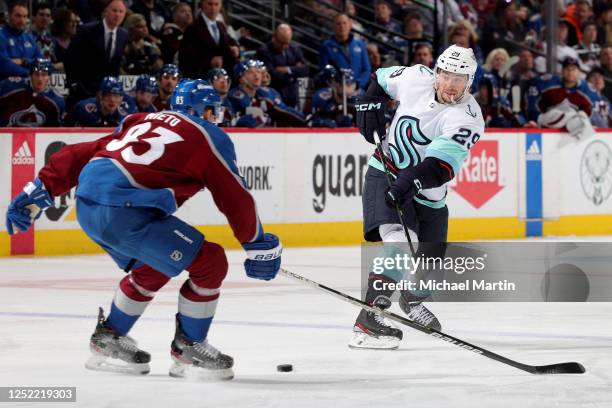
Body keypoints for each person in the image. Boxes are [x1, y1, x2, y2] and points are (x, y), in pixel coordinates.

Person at [5, 78, 282, 381]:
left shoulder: (140, 119)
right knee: (210, 261)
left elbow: (83, 152)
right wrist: (256, 243)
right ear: (203, 111)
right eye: (212, 111)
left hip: (88, 205)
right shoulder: (207, 135)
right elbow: (233, 193)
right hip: (125, 210)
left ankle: (110, 336)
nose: (215, 118)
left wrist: (39, 189)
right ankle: (189, 347)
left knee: (157, 265)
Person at [350, 44, 484, 349]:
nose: (450, 83)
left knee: (432, 262)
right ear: (436, 72)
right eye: (446, 74)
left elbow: (438, 166)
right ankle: (368, 320)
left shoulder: (468, 117)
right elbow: (380, 79)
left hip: (428, 193)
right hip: (385, 172)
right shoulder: (415, 77)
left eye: (459, 78)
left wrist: (408, 182)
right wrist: (369, 101)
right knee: (398, 244)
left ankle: (411, 299)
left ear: (469, 82)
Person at [64, 0, 129, 108]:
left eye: (121, 12)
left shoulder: (123, 35)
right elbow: (69, 59)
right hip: (83, 90)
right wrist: (74, 85)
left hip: (107, 95)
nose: (117, 15)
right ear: (106, 11)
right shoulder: (87, 30)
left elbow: (114, 66)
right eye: (114, 10)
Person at [227, 59, 305, 128]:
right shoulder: (235, 94)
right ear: (241, 79)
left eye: (257, 71)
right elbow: (250, 112)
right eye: (250, 72)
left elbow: (283, 109)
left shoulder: (264, 93)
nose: (256, 74)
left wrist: (302, 118)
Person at [536, 57, 600, 139]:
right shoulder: (550, 84)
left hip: (571, 127)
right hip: (547, 122)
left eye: (573, 69)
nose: (570, 72)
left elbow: (592, 113)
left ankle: (582, 126)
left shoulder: (586, 90)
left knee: (581, 114)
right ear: (562, 71)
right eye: (567, 69)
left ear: (579, 72)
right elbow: (535, 104)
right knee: (571, 114)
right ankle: (584, 128)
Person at [178, 0, 240, 78]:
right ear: (202, 5)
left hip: (222, 76)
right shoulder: (193, 28)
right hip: (201, 76)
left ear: (220, 6)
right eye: (210, 4)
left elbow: (230, 41)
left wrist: (235, 48)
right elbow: (186, 57)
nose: (213, 8)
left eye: (216, 4)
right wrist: (209, 62)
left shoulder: (220, 26)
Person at [255, 23, 309, 108]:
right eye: (281, 43)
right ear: (274, 37)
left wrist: (288, 69)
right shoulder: (264, 51)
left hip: (293, 93)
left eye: (287, 43)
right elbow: (271, 74)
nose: (284, 46)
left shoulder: (294, 48)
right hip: (275, 93)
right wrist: (295, 71)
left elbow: (306, 69)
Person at [0, 57, 65, 126]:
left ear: (49, 77)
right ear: (30, 75)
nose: (40, 79)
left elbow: (56, 129)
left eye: (44, 75)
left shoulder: (56, 100)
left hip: (40, 136)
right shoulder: (10, 87)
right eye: (37, 74)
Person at [319, 13, 371, 90]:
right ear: (333, 27)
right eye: (338, 24)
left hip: (358, 89)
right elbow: (325, 68)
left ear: (350, 25)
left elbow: (367, 69)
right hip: (336, 89)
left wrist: (356, 85)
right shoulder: (326, 46)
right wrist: (338, 84)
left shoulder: (360, 44)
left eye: (344, 23)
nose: (342, 26)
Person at [0, 0, 43, 80]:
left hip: (31, 87)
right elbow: (4, 66)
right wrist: (31, 73)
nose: (22, 20)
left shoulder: (30, 38)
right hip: (6, 88)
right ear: (9, 16)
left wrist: (24, 61)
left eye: (25, 16)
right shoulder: (1, 36)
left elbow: (43, 63)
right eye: (18, 16)